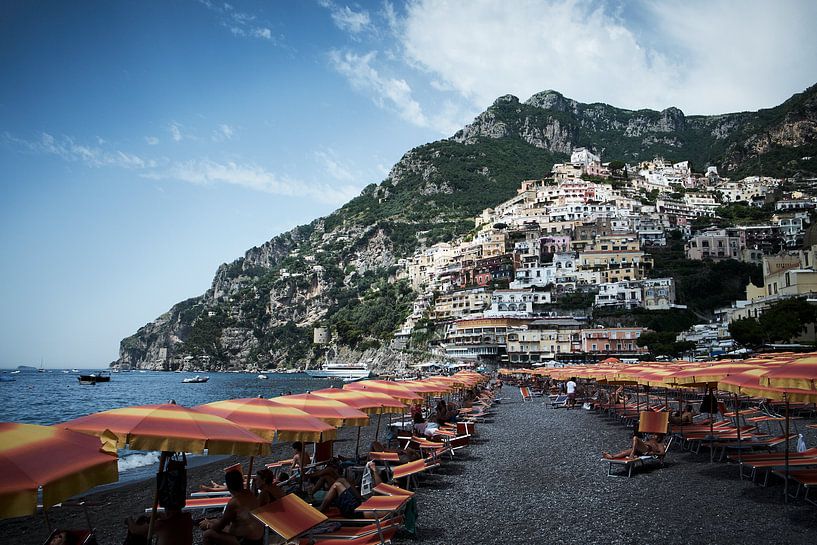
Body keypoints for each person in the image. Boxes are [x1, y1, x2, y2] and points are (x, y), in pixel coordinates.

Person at [199, 469, 265, 545]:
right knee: (214, 520)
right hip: (259, 536)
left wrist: (208, 525)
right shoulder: (249, 493)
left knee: (208, 534)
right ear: (241, 482)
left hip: (249, 541)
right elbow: (225, 522)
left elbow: (219, 527)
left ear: (228, 485)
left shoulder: (234, 503)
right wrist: (211, 522)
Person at [125, 505, 193, 545]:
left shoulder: (162, 524)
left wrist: (129, 519)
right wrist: (158, 515)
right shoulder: (187, 518)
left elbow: (135, 530)